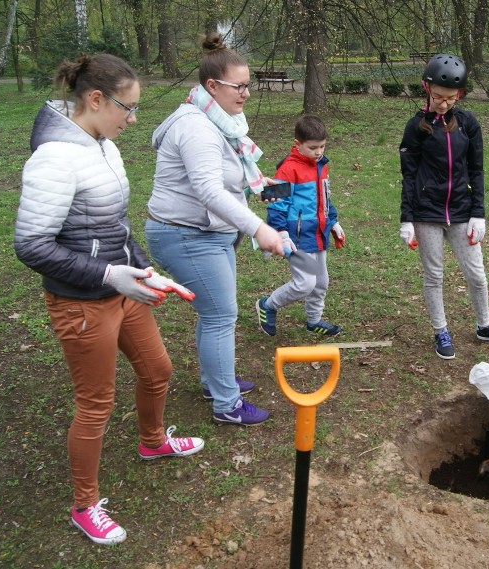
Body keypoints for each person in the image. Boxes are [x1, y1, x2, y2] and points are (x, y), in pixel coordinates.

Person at [14, 54, 204, 545]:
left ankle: (153, 442)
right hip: (81, 302)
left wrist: (143, 270)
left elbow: (114, 226)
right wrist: (108, 275)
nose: (134, 118)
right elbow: (32, 245)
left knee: (158, 370)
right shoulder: (54, 157)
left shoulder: (103, 144)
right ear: (95, 100)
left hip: (123, 289)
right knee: (96, 403)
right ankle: (84, 505)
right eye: (129, 107)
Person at [145, 33, 284, 426]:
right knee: (221, 314)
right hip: (185, 235)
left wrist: (256, 185)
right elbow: (206, 190)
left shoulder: (219, 122)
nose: (246, 94)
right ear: (212, 86)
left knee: (214, 314)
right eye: (238, 86)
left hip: (209, 234)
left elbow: (219, 177)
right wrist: (258, 228)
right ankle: (227, 404)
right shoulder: (197, 127)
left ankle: (215, 381)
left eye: (247, 85)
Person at [399, 53, 489, 360]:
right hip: (427, 213)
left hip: (463, 212)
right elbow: (409, 175)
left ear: (459, 95)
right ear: (427, 88)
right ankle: (441, 330)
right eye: (438, 96)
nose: (443, 103)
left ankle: (485, 325)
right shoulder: (416, 127)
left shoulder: (468, 124)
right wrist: (406, 219)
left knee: (477, 275)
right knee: (434, 275)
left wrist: (479, 212)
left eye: (450, 98)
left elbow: (476, 170)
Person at [256, 115, 345, 337]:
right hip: (296, 238)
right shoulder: (288, 170)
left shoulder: (321, 166)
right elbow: (276, 205)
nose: (319, 152)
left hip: (318, 234)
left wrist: (332, 221)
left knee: (321, 282)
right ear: (298, 144)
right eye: (313, 147)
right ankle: (268, 304)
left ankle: (314, 320)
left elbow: (325, 198)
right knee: (305, 283)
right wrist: (282, 234)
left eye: (322, 146)